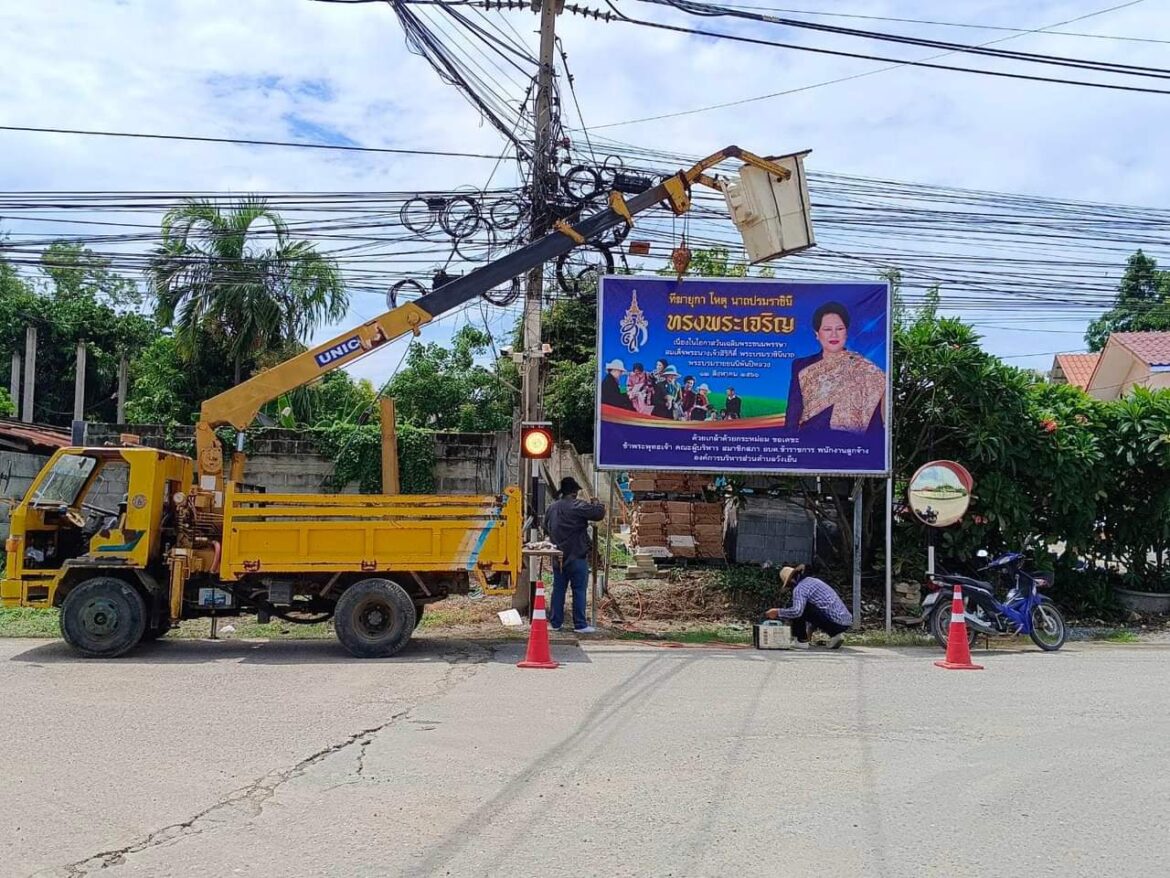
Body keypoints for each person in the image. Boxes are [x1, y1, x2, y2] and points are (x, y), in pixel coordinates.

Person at [785, 302, 885, 438]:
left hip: (849, 448)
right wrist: (790, 444)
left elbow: (874, 420)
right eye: (827, 329)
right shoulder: (801, 366)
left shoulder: (867, 370)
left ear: (846, 332)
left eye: (839, 329)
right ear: (817, 334)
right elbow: (793, 412)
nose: (834, 334)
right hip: (809, 444)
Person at [543, 477, 606, 633]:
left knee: (558, 590)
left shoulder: (551, 508)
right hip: (577, 556)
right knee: (579, 590)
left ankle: (556, 623)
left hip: (558, 557)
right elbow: (598, 514)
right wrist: (596, 503)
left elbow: (545, 527)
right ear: (574, 492)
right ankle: (580, 624)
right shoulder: (578, 506)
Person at [765, 564, 851, 649]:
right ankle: (835, 634)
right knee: (803, 607)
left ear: (791, 581)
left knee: (793, 606)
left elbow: (797, 612)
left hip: (835, 623)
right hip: (845, 621)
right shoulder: (813, 581)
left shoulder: (799, 588)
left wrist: (777, 612)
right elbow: (817, 611)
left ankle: (800, 640)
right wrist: (809, 634)